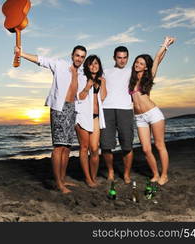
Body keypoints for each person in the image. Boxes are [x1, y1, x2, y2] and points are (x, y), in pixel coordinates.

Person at [16, 45, 87, 194]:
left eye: (82, 56)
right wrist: (21, 53)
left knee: (67, 148)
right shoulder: (60, 64)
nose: (79, 58)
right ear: (72, 55)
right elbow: (41, 60)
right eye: (77, 55)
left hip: (72, 109)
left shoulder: (81, 72)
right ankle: (58, 184)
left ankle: (62, 179)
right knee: (59, 147)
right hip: (59, 108)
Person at [129, 36, 175, 185]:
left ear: (146, 67)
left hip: (153, 114)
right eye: (136, 62)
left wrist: (165, 44)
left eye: (141, 63)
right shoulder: (130, 79)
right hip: (139, 117)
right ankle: (155, 174)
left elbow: (157, 59)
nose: (137, 64)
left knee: (159, 145)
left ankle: (164, 175)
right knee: (146, 149)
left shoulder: (148, 77)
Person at [100, 46, 134, 184]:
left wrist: (165, 47)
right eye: (119, 57)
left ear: (128, 58)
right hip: (107, 109)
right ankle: (111, 171)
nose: (122, 60)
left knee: (127, 145)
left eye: (125, 57)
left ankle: (126, 174)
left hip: (125, 110)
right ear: (114, 58)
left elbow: (152, 68)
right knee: (106, 145)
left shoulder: (132, 71)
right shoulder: (105, 72)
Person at [75, 55, 107, 187]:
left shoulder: (101, 80)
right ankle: (87, 178)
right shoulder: (82, 78)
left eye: (96, 64)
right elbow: (79, 97)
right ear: (87, 66)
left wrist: (103, 83)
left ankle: (93, 177)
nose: (94, 66)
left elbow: (103, 97)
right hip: (82, 116)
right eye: (91, 64)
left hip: (95, 117)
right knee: (84, 147)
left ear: (99, 65)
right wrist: (87, 86)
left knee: (94, 148)